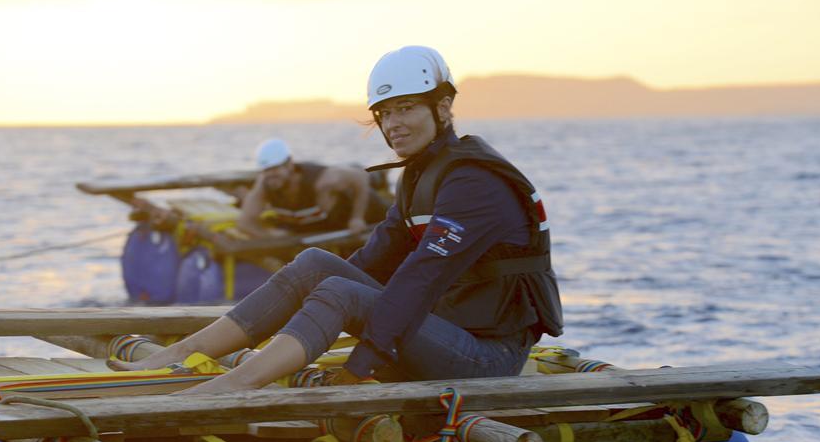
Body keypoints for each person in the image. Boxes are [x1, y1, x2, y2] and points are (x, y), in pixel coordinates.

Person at [114, 46, 564, 393]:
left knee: (340, 290)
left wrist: (360, 365)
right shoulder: (421, 174)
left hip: (488, 357)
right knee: (315, 264)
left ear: (443, 107)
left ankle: (231, 386)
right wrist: (317, 304)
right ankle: (181, 352)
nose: (393, 125)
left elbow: (421, 278)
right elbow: (371, 262)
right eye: (385, 114)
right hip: (448, 330)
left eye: (406, 108)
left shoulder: (474, 182)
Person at [236, 138, 388, 237]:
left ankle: (381, 175)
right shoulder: (265, 183)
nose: (271, 175)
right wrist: (270, 235)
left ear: (289, 163)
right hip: (319, 229)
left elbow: (359, 176)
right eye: (266, 170)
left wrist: (357, 218)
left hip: (369, 212)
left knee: (363, 176)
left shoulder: (322, 181)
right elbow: (244, 222)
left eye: (275, 169)